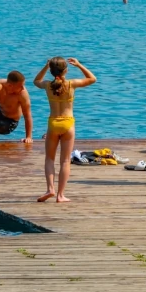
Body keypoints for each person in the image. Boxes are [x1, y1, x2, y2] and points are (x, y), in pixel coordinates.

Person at [33, 56, 97, 203]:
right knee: (65, 161)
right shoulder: (71, 84)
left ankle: (50, 189)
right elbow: (92, 79)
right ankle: (60, 195)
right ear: (66, 70)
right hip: (68, 124)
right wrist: (79, 65)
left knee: (49, 159)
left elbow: (35, 81)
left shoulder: (48, 85)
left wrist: (45, 67)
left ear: (50, 71)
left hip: (53, 123)